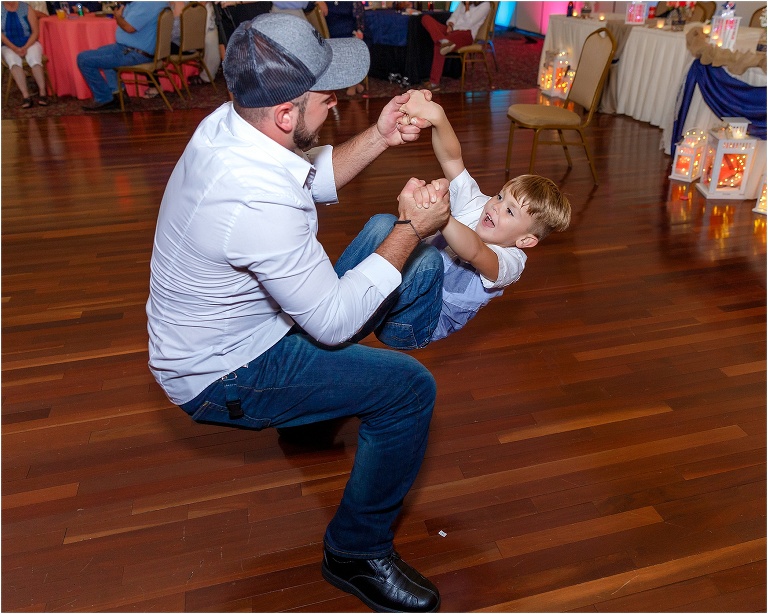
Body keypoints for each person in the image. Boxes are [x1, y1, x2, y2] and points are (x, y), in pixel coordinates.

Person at [146, 13, 449, 613]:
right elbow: (333, 323)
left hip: (246, 324)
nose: (335, 103)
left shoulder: (232, 124)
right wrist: (416, 230)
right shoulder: (252, 198)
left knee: (381, 234)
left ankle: (312, 412)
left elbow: (307, 178)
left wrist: (383, 135)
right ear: (286, 115)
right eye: (325, 97)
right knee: (409, 390)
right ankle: (356, 554)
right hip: (222, 372)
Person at [333, 89, 571, 346]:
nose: (495, 207)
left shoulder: (512, 262)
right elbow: (452, 158)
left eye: (510, 211)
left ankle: (332, 335)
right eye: (500, 197)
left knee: (429, 259)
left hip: (413, 325)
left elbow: (476, 251)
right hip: (393, 293)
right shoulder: (479, 206)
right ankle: (331, 302)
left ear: (525, 241)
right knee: (383, 222)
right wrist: (437, 117)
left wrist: (440, 216)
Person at [76, 1, 168, 111]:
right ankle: (119, 94)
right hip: (130, 49)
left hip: (134, 53)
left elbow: (129, 28)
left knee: (83, 59)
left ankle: (104, 98)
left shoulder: (146, 4)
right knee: (101, 53)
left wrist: (117, 16)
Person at [420, 1, 490, 90]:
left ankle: (434, 83)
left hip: (466, 34)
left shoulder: (485, 5)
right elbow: (453, 17)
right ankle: (442, 40)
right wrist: (450, 25)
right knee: (425, 18)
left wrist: (467, 6)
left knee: (439, 46)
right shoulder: (462, 3)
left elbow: (469, 22)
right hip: (452, 30)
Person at [1, 2, 49, 108]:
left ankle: (42, 93)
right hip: (8, 45)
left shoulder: (26, 8)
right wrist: (14, 48)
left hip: (29, 42)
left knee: (34, 59)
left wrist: (26, 47)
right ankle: (26, 95)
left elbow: (35, 32)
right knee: (13, 61)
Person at [324, 1, 366, 96]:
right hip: (329, 35)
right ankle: (354, 82)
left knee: (354, 44)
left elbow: (360, 18)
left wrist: (359, 31)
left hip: (350, 32)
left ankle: (354, 81)